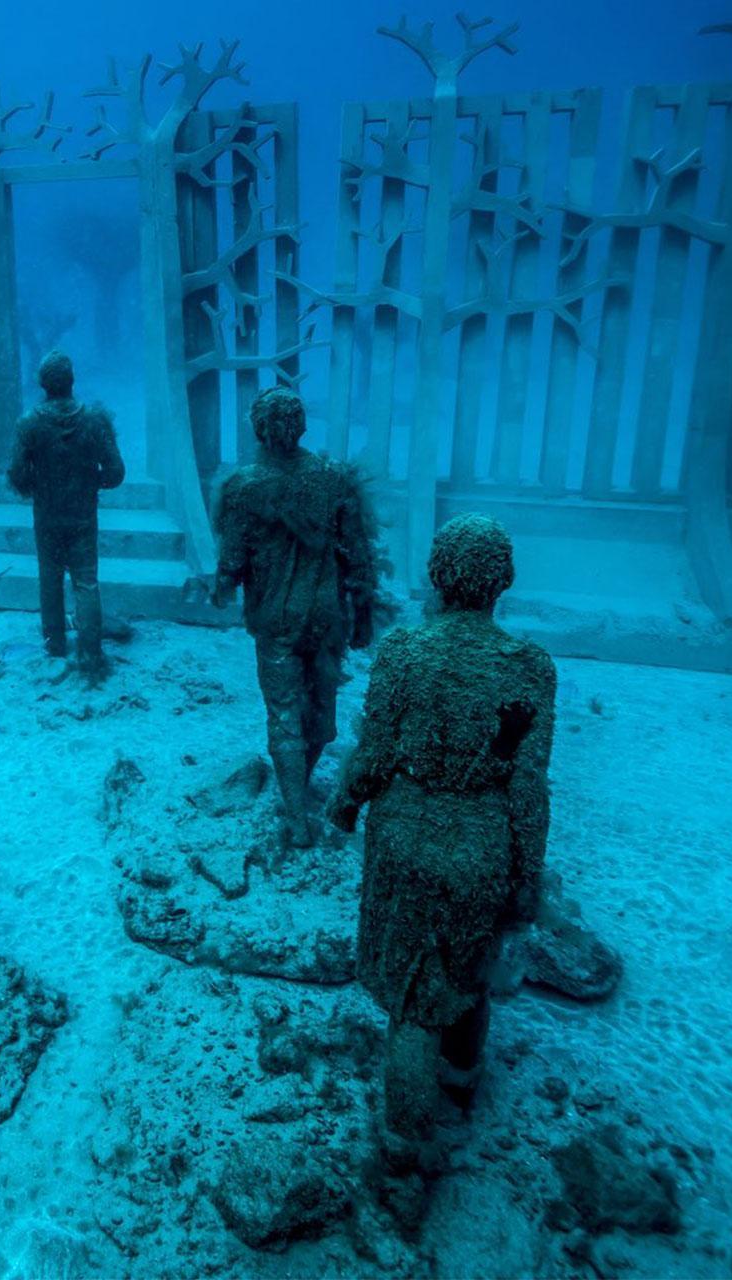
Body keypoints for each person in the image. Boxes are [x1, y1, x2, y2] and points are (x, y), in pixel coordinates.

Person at [327, 515, 555, 1153]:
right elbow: (529, 788)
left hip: (405, 837)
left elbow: (374, 753)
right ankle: (461, 1077)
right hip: (482, 846)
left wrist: (345, 805)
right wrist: (526, 877)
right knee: (468, 971)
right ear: (502, 580)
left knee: (413, 1002)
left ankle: (403, 1144)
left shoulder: (405, 653)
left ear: (437, 575)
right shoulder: (530, 667)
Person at [211, 385, 382, 847]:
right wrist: (363, 616)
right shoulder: (333, 479)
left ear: (259, 429)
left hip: (276, 620)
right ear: (302, 425)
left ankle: (295, 814)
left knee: (285, 712)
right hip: (326, 616)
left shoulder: (243, 488)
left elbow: (231, 564)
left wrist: (220, 587)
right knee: (322, 710)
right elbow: (360, 558)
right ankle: (299, 786)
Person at [7, 348, 125, 678]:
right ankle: (90, 654)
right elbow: (116, 472)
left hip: (47, 516)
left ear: (43, 384)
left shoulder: (28, 423)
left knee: (50, 579)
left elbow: (16, 475)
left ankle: (55, 645)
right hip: (83, 515)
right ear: (72, 380)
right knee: (86, 582)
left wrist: (40, 486)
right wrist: (90, 482)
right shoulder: (95, 419)